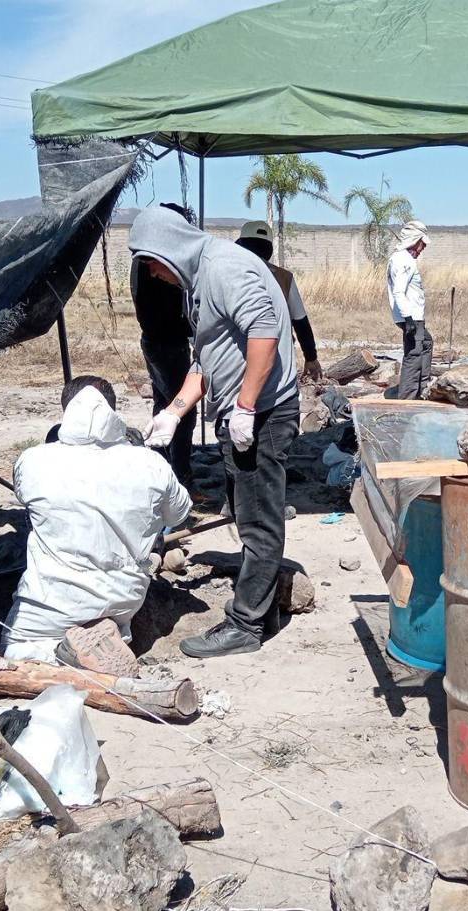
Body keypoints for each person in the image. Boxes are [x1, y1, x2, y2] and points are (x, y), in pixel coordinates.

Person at [130, 206, 300, 658]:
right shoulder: (198, 281)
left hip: (263, 415)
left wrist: (245, 407)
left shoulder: (224, 267)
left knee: (259, 520)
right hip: (241, 416)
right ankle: (264, 605)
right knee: (246, 512)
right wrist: (174, 410)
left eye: (149, 261)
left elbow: (264, 331)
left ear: (168, 247)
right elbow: (208, 356)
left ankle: (246, 625)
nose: (149, 272)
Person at [3, 375, 192, 664]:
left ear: (65, 412)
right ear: (114, 411)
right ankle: (112, 637)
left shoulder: (32, 460)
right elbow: (179, 514)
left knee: (15, 649)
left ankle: (59, 655)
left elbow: (24, 499)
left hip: (53, 604)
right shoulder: (151, 464)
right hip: (124, 599)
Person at [131, 202, 199, 494]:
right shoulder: (155, 260)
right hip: (166, 342)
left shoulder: (146, 258)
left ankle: (160, 470)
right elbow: (173, 305)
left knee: (164, 406)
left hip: (159, 340)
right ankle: (181, 480)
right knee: (181, 411)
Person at [234, 220, 325, 383]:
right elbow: (300, 321)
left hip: (239, 356)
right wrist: (311, 357)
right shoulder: (284, 277)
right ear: (269, 249)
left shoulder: (229, 276)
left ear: (241, 245)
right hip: (278, 358)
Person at [388, 221, 433, 399]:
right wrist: (408, 319)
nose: (423, 248)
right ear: (415, 241)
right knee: (413, 355)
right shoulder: (403, 260)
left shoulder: (404, 259)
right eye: (422, 244)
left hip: (413, 316)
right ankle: (407, 398)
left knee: (427, 343)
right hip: (411, 317)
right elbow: (399, 291)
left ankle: (423, 387)